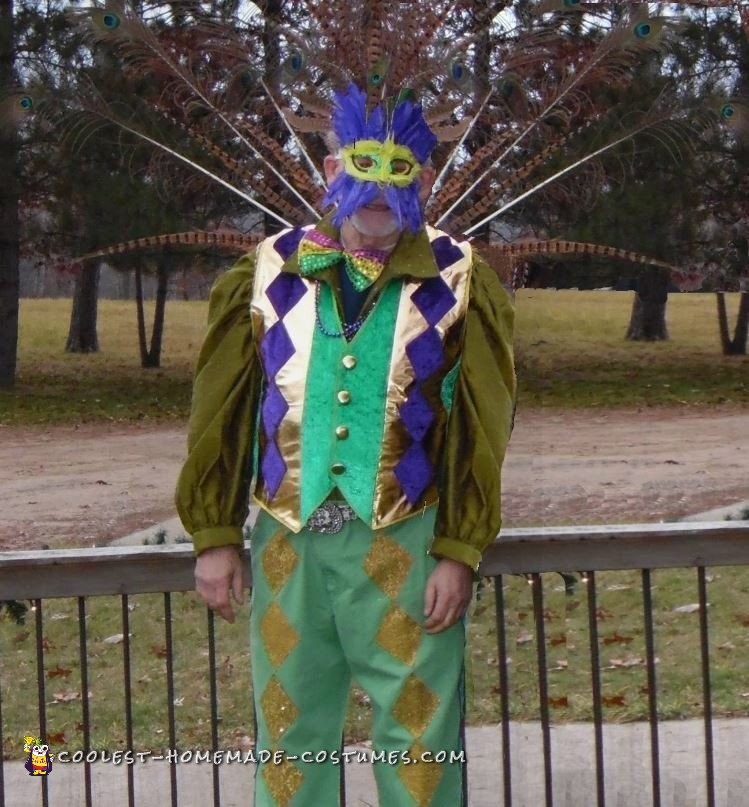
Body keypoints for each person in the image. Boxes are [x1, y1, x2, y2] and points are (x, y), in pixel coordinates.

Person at [175, 84, 516, 807]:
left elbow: (480, 427)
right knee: (290, 732)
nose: (378, 195)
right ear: (332, 173)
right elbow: (222, 410)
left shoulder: (457, 278)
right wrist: (212, 534)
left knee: (419, 737)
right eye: (363, 170)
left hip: (406, 540)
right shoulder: (269, 269)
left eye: (399, 175)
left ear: (421, 182)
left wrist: (458, 550)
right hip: (285, 543)